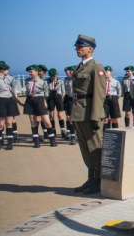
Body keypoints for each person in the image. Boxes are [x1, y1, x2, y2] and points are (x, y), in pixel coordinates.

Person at [71, 34, 107, 194]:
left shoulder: (96, 67)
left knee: (95, 148)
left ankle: (98, 180)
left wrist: (95, 116)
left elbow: (99, 94)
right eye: (77, 47)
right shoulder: (80, 67)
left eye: (81, 46)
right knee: (85, 149)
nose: (78, 49)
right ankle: (91, 178)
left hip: (89, 113)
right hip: (79, 112)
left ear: (90, 48)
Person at [24, 65, 56, 147]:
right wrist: (29, 94)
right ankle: (36, 141)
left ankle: (52, 140)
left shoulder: (43, 82)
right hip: (30, 101)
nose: (30, 73)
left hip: (40, 100)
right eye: (29, 71)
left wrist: (44, 101)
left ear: (36, 71)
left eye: (31, 71)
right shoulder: (27, 81)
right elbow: (27, 91)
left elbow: (46, 93)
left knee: (47, 121)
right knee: (33, 122)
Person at [46, 68, 68, 139]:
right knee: (51, 115)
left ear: (56, 74)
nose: (52, 77)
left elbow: (63, 91)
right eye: (51, 76)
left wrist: (62, 97)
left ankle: (63, 131)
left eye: (53, 76)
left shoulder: (60, 81)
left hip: (58, 96)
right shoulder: (47, 81)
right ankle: (53, 131)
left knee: (60, 115)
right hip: (50, 97)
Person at [0, 62, 16, 150]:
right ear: (2, 70)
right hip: (1, 100)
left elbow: (12, 89)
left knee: (9, 123)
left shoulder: (7, 79)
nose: (7, 71)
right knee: (0, 124)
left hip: (9, 100)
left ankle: (10, 143)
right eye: (6, 70)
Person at [63, 66, 77, 144]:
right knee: (69, 117)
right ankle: (72, 136)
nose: (70, 72)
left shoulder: (78, 80)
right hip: (69, 99)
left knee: (76, 119)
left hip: (77, 99)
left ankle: (76, 134)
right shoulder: (66, 80)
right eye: (70, 71)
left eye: (72, 71)